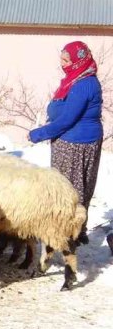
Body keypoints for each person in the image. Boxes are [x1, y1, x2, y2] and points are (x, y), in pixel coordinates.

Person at [29, 40, 105, 241]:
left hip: (77, 143)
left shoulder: (84, 84)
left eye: (66, 60)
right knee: (70, 185)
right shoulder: (75, 79)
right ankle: (74, 230)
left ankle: (71, 231)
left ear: (78, 61)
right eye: (61, 59)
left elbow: (67, 119)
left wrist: (38, 134)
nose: (62, 64)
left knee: (71, 188)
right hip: (71, 139)